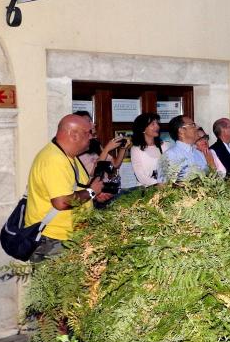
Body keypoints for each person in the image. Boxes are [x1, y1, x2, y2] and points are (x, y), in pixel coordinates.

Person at [25, 114, 114, 261]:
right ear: (73, 134)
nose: (92, 137)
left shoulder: (68, 155)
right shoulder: (54, 160)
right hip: (53, 240)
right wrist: (92, 192)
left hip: (68, 237)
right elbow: (61, 202)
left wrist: (94, 195)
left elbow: (75, 189)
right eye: (88, 133)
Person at [157, 115, 216, 182]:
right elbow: (163, 185)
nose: (197, 128)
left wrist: (211, 164)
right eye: (193, 125)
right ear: (181, 131)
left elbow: (211, 180)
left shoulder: (199, 153)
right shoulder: (169, 156)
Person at [73, 111, 128, 178]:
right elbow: (93, 172)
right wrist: (107, 149)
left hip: (104, 183)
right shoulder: (78, 150)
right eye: (89, 122)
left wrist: (123, 148)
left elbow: (116, 164)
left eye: (91, 121)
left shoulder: (95, 143)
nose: (94, 124)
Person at [130, 112, 165, 186]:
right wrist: (157, 184)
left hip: (165, 187)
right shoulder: (136, 149)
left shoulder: (164, 146)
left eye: (157, 123)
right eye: (153, 124)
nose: (157, 126)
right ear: (143, 128)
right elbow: (141, 176)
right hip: (146, 189)